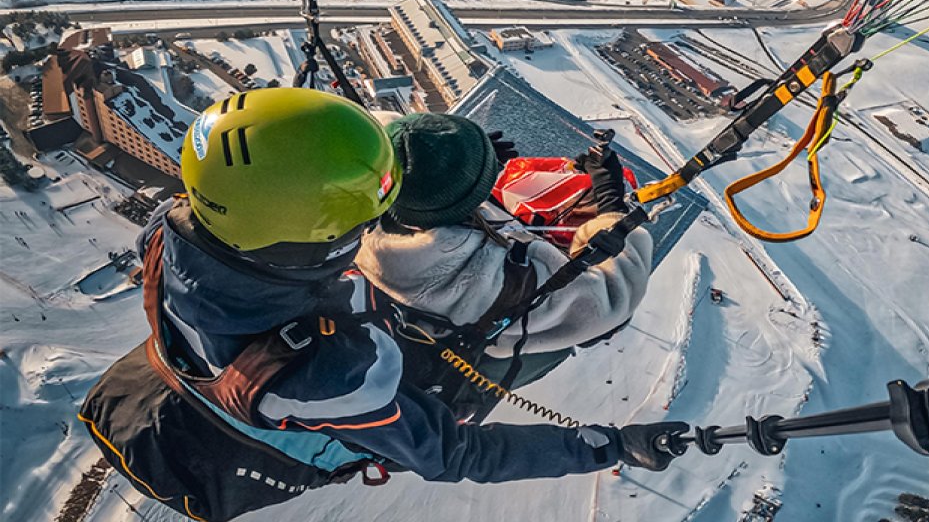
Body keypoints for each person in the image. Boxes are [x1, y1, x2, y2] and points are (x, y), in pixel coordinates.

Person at [80, 88, 685, 522]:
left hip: (199, 362)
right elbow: (456, 454)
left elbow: (306, 158)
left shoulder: (180, 229)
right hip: (294, 404)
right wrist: (606, 446)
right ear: (329, 232)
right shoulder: (340, 376)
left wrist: (430, 161)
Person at [353, 113, 653, 413]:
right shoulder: (484, 277)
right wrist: (611, 206)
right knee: (551, 345)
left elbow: (394, 141)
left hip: (381, 345)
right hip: (457, 372)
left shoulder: (347, 220)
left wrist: (451, 160)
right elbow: (610, 302)